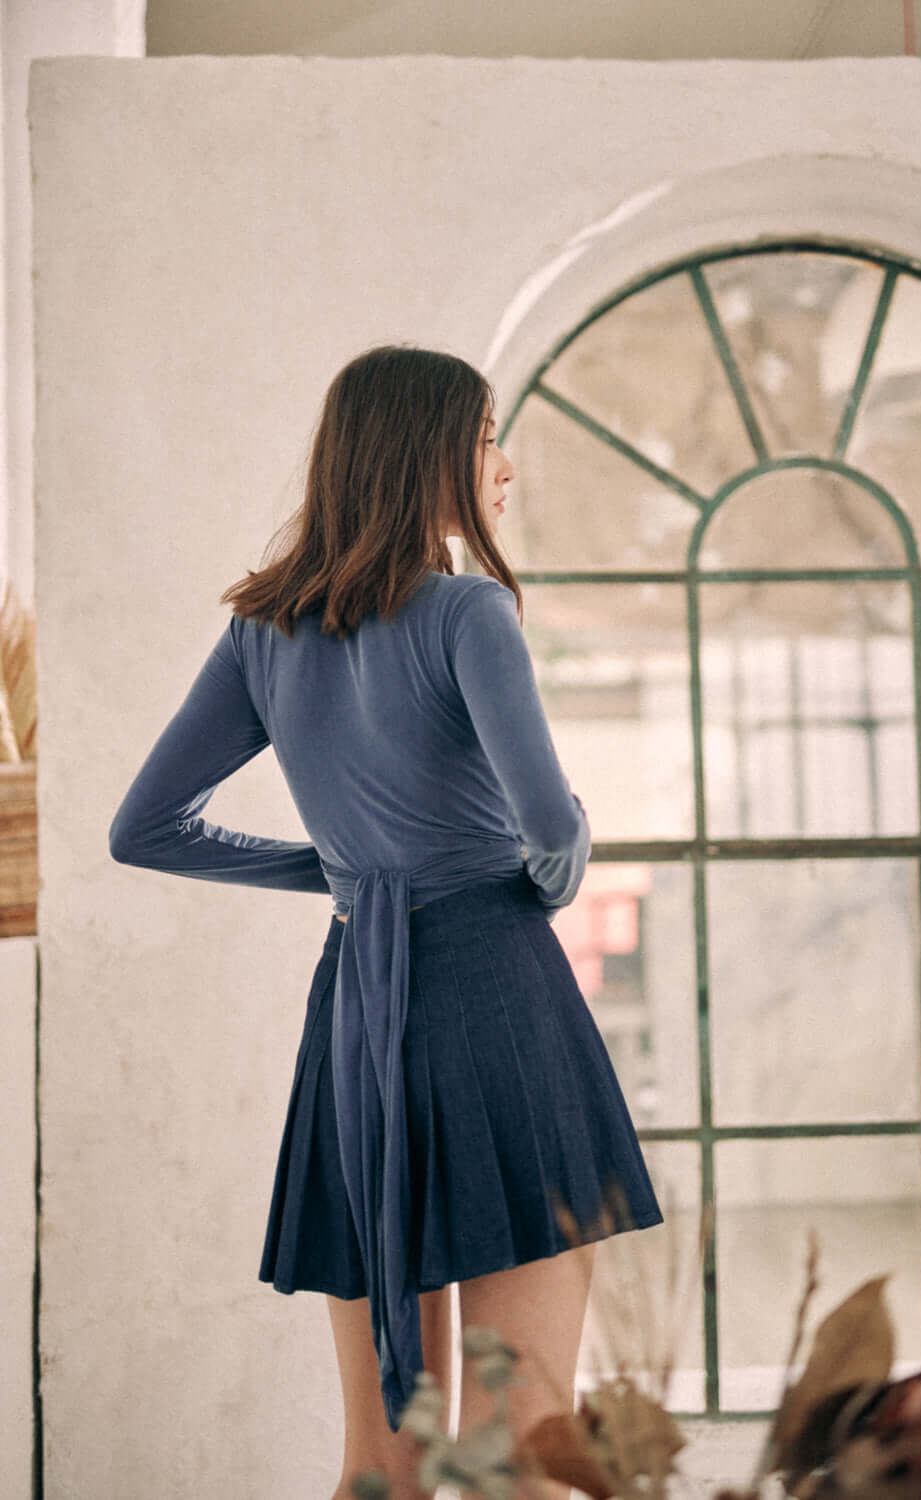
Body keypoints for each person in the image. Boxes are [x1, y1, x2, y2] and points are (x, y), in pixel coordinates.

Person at [108, 345, 663, 1499]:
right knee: (522, 1443)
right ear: (430, 455)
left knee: (377, 1462)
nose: (502, 467)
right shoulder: (468, 613)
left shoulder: (263, 629)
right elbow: (552, 837)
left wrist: (355, 878)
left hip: (359, 1014)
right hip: (496, 1003)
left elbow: (146, 827)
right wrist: (525, 870)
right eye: (486, 436)